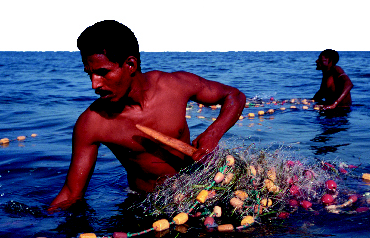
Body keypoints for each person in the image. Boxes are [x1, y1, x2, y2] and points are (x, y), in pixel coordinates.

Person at [49, 20, 246, 210]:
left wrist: (213, 133)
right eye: (89, 74)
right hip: (144, 205)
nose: (94, 84)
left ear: (130, 64)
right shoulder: (92, 123)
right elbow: (71, 193)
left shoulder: (174, 86)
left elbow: (234, 96)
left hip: (200, 192)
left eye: (103, 72)